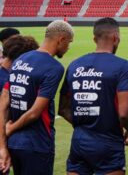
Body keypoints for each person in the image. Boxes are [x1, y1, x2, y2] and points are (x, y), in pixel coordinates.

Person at [58, 17, 128, 175]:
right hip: (109, 142)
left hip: (79, 141)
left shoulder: (74, 65)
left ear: (94, 38)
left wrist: (85, 126)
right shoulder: (123, 66)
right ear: (116, 38)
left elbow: (63, 108)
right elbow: (124, 112)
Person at [0, 20, 74, 175]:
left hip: (14, 143)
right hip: (37, 143)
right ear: (61, 39)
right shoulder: (54, 67)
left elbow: (4, 101)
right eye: (69, 42)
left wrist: (2, 145)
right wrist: (11, 128)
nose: (68, 47)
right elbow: (35, 112)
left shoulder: (20, 59)